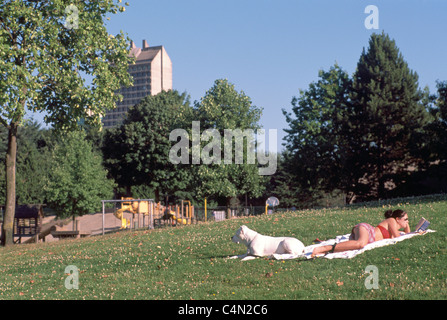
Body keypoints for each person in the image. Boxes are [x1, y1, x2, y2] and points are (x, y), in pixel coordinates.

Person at [311, 209, 411, 257]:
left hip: (367, 236)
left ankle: (328, 249)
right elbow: (398, 237)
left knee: (358, 244)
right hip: (367, 229)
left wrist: (407, 225)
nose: (407, 221)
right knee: (360, 244)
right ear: (397, 219)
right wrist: (407, 227)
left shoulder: (395, 227)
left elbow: (406, 234)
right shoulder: (391, 221)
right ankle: (324, 248)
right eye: (406, 219)